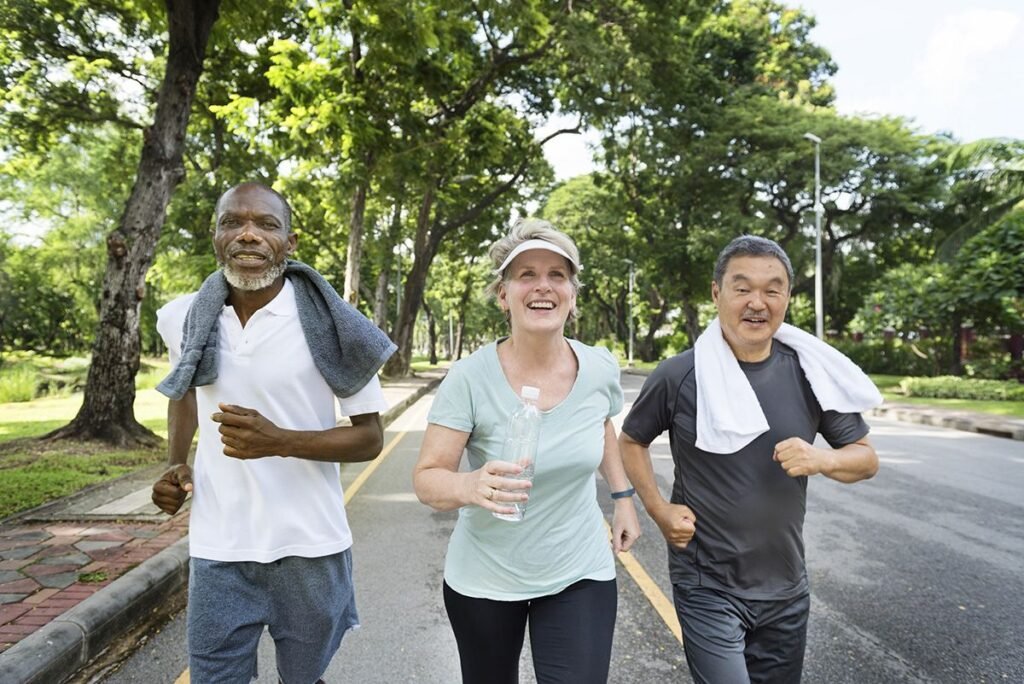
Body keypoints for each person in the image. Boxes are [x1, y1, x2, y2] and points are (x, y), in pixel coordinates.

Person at [150, 181, 396, 683]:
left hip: (310, 548)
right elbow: (185, 391)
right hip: (219, 546)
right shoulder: (182, 317)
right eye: (232, 222)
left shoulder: (334, 325)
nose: (248, 235)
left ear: (289, 241)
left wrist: (280, 441)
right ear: (216, 236)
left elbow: (370, 438)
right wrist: (176, 462)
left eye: (266, 224)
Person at [619, 235, 881, 684]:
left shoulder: (810, 374)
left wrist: (821, 459)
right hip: (707, 583)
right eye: (742, 288)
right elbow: (631, 441)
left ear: (787, 298)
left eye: (772, 290)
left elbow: (866, 459)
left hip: (786, 587)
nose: (757, 302)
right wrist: (659, 510)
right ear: (716, 293)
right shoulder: (679, 375)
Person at [413, 218, 641, 684]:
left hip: (579, 568)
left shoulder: (598, 367)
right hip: (486, 577)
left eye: (557, 275)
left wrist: (623, 499)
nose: (543, 286)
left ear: (572, 295)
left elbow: (600, 425)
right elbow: (427, 478)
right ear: (504, 295)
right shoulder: (469, 378)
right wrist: (471, 485)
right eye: (527, 275)